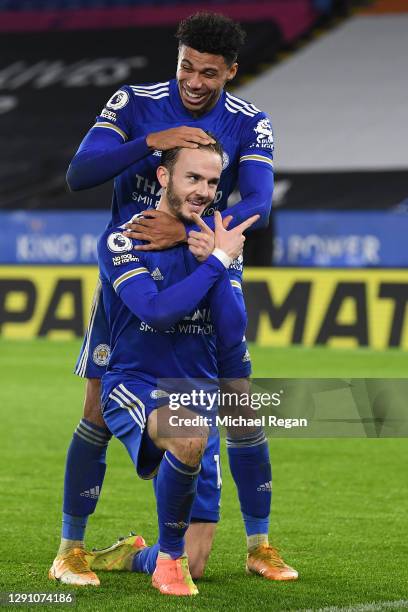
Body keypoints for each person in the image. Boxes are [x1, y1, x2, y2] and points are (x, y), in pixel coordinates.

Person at [50, 12, 297, 585]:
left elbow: (258, 201)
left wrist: (190, 234)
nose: (193, 80)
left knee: (240, 402)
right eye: (186, 66)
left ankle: (257, 544)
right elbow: (79, 173)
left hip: (204, 263)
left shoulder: (249, 123)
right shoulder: (134, 103)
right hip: (132, 269)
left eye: (209, 73)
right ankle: (70, 547)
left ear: (231, 72)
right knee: (96, 412)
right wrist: (149, 143)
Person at [51, 140, 256, 595]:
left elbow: (231, 329)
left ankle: (136, 555)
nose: (204, 190)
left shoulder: (216, 238)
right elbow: (156, 311)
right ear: (164, 178)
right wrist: (217, 263)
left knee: (199, 560)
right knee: (185, 436)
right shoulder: (124, 237)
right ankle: (159, 560)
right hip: (136, 382)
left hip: (196, 388)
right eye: (193, 178)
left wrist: (217, 260)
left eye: (212, 181)